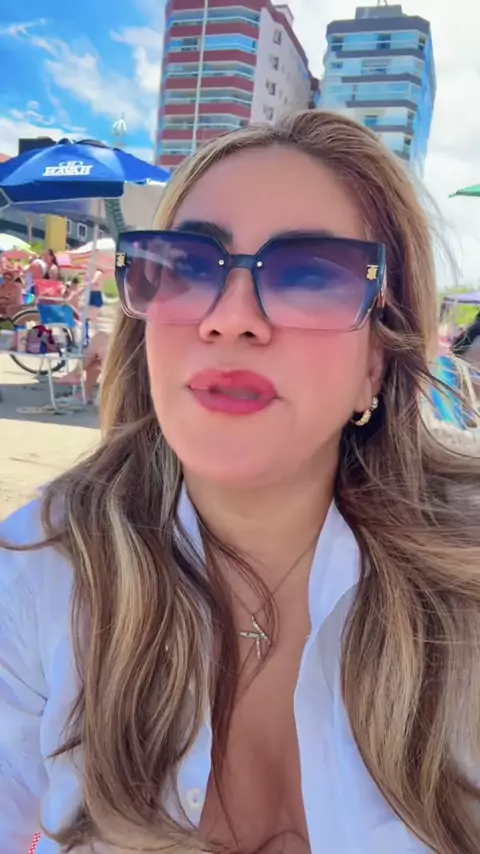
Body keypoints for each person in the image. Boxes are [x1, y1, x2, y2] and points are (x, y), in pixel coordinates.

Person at [1, 110, 480, 854]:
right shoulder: (37, 570)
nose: (230, 320)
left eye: (311, 276)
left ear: (376, 363)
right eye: (186, 267)